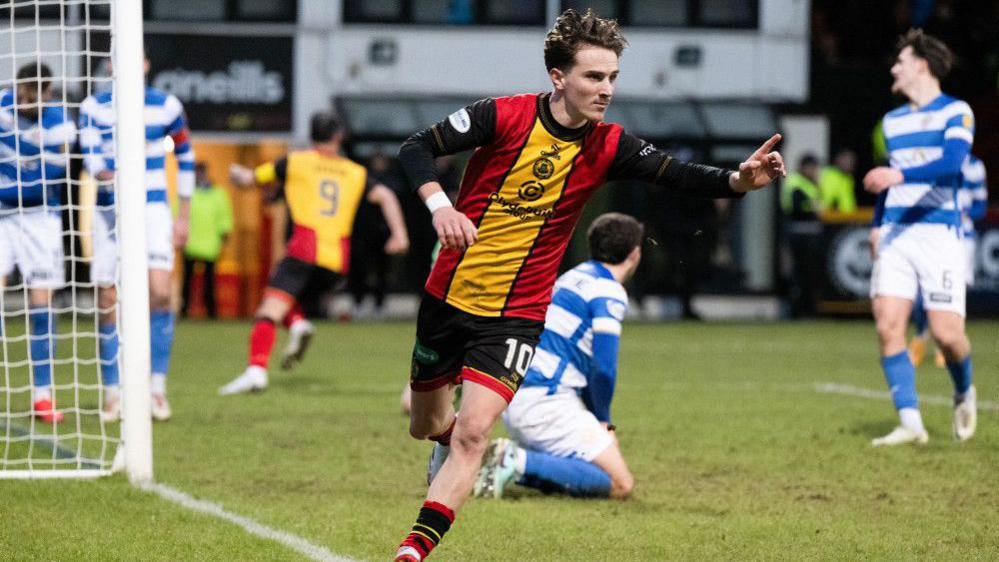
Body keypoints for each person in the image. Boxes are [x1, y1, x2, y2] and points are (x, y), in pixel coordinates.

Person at [392, 9, 785, 562]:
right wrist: (439, 206)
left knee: (475, 435)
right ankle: (442, 444)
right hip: (447, 297)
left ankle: (413, 550)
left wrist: (737, 180)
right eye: (594, 77)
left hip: (520, 312)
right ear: (559, 77)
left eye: (613, 78)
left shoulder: (610, 144)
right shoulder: (501, 116)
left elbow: (676, 173)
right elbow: (415, 148)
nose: (606, 90)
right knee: (428, 426)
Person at [218, 112, 409, 395]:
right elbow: (387, 196)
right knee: (283, 299)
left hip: (304, 248)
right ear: (339, 137)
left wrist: (234, 173)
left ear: (311, 135)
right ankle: (297, 324)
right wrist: (399, 234)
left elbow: (250, 179)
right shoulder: (355, 172)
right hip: (336, 261)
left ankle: (256, 371)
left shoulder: (295, 162)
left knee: (269, 309)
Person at [474, 213, 640, 500]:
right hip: (547, 405)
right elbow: (603, 369)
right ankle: (515, 460)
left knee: (592, 468)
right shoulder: (609, 291)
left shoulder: (571, 277)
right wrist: (604, 420)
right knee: (620, 483)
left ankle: (513, 463)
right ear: (635, 254)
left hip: (517, 398)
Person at [864, 29, 977, 447]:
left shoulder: (957, 112)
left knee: (948, 335)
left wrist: (901, 175)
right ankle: (910, 422)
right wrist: (877, 224)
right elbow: (887, 183)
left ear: (921, 65)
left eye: (900, 61)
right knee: (888, 324)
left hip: (938, 233)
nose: (893, 68)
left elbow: (950, 165)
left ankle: (964, 389)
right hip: (896, 233)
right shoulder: (892, 122)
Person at [79, 57, 195, 422]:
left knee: (160, 292)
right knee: (108, 296)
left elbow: (187, 156)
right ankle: (113, 393)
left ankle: (155, 388)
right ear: (110, 65)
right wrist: (108, 176)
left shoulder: (167, 106)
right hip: (109, 211)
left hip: (154, 209)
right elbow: (91, 157)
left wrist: (184, 215)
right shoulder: (93, 107)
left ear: (144, 63)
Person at [0, 63, 76, 423]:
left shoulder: (61, 124)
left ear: (47, 94)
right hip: (1, 215)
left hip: (41, 218)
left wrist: (13, 144)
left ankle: (42, 395)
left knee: (41, 301)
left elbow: (46, 175)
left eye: (30, 96)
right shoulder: (3, 107)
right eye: (19, 94)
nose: (22, 101)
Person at [907, 154, 987, 367]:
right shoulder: (934, 157)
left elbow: (981, 205)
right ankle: (920, 338)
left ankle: (948, 343)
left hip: (963, 238)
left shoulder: (975, 166)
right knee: (926, 289)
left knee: (956, 291)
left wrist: (965, 213)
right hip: (934, 235)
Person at [180, 162, 233, 319]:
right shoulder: (187, 194)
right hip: (190, 243)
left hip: (210, 244)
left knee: (209, 281)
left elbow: (224, 215)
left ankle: (211, 311)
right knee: (187, 280)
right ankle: (185, 310)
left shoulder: (218, 194)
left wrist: (224, 233)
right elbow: (178, 213)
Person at [781, 154, 823, 318]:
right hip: (800, 232)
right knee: (801, 273)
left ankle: (806, 309)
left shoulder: (809, 183)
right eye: (812, 167)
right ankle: (798, 311)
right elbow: (796, 206)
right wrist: (813, 208)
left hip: (807, 232)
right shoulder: (796, 182)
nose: (815, 171)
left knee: (808, 273)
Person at [819, 148, 858, 213]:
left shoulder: (848, 178)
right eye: (846, 160)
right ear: (838, 160)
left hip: (848, 217)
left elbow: (848, 202)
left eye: (851, 161)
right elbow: (827, 201)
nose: (849, 163)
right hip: (834, 218)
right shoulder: (831, 175)